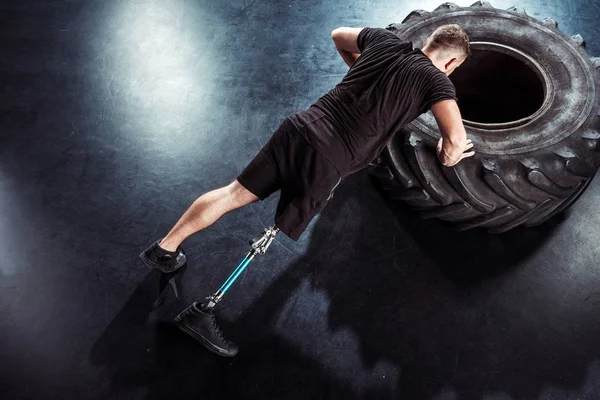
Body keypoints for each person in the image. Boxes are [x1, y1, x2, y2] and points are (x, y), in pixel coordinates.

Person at [140, 24, 475, 357]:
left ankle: (164, 249)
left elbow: (337, 35)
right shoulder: (437, 81)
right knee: (272, 230)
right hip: (329, 158)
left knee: (233, 192)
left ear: (428, 42)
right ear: (451, 64)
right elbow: (454, 144)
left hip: (300, 125)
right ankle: (202, 312)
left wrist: (362, 72)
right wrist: (451, 155)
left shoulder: (385, 40)